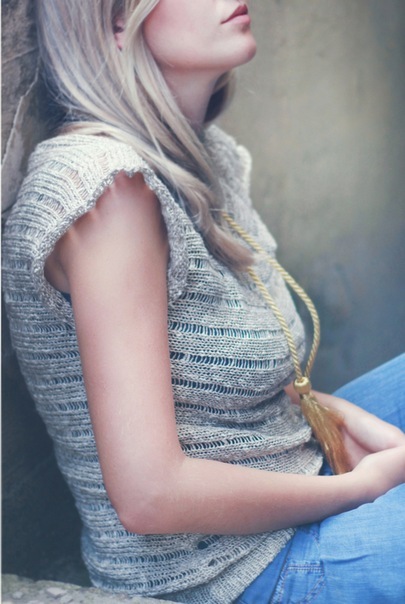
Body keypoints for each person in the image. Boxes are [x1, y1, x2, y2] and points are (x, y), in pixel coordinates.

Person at [2, 1, 405, 602]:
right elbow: (150, 495)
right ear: (116, 20)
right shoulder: (107, 191)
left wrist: (355, 426)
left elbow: (249, 381)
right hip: (231, 569)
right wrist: (361, 488)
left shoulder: (199, 152)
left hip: (293, 462)